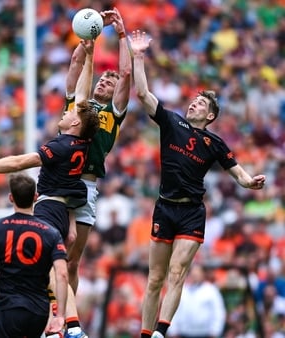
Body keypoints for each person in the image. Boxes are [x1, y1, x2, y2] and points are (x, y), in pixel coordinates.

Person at [0, 42, 100, 338]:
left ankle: (69, 325)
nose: (67, 111)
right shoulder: (82, 142)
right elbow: (83, 98)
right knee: (56, 264)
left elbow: (19, 162)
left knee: (49, 267)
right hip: (63, 208)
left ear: (74, 122)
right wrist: (90, 53)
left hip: (47, 206)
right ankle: (60, 323)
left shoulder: (59, 145)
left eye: (71, 112)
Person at [130, 29, 266, 338]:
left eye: (200, 103)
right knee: (154, 279)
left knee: (177, 274)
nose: (193, 104)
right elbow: (143, 95)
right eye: (193, 100)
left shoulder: (215, 143)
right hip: (164, 208)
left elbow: (239, 173)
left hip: (191, 213)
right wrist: (138, 57)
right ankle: (146, 334)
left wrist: (251, 183)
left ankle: (162, 332)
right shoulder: (172, 122)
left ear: (211, 115)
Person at [64, 7, 132, 293]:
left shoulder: (113, 111)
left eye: (109, 81)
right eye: (102, 78)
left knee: (71, 261)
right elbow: (76, 64)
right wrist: (88, 33)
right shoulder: (77, 103)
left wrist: (120, 34)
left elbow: (126, 73)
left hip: (87, 184)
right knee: (51, 258)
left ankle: (69, 322)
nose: (103, 81)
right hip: (60, 180)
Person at [0, 173, 69, 338]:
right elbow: (62, 274)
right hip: (39, 311)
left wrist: (1, 277)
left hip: (9, 307)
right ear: (36, 197)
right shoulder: (51, 233)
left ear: (11, 198)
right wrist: (60, 316)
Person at [168, 265, 226, 338]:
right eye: (193, 274)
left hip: (205, 334)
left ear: (203, 274)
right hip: (182, 334)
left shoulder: (211, 290)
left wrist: (215, 331)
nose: (195, 276)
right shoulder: (182, 291)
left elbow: (218, 311)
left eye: (198, 273)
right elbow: (174, 311)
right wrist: (173, 331)